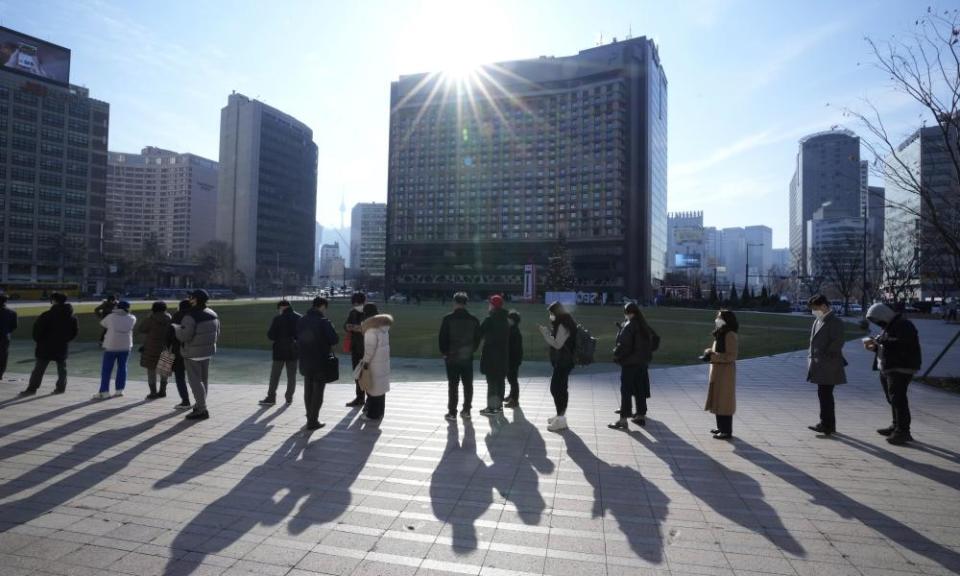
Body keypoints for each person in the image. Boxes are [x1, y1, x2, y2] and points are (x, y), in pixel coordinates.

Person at [864, 303, 922, 445]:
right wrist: (875, 347)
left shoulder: (904, 325)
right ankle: (896, 425)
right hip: (889, 366)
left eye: (877, 319)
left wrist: (879, 340)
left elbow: (900, 343)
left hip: (901, 367)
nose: (878, 323)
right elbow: (889, 344)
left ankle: (903, 431)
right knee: (892, 398)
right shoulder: (889, 326)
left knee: (898, 399)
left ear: (884, 314)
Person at [609, 302, 657, 430]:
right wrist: (647, 351)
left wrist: (616, 354)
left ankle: (623, 419)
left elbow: (623, 345)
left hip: (630, 363)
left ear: (628, 313)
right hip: (642, 362)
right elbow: (655, 339)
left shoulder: (629, 326)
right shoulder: (643, 324)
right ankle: (640, 415)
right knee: (640, 389)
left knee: (626, 391)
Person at [174, 289, 220, 421]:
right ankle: (200, 404)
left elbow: (184, 337)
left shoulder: (190, 316)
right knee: (204, 380)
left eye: (191, 297)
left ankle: (201, 409)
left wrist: (177, 329)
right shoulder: (213, 313)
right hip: (207, 351)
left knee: (195, 382)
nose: (189, 299)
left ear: (195, 300)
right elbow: (218, 332)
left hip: (192, 353)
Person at [19, 292, 78, 396]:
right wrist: (65, 340)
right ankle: (60, 388)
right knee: (62, 369)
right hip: (61, 346)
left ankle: (32, 389)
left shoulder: (46, 315)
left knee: (39, 369)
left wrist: (39, 340)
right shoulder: (71, 317)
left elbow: (37, 330)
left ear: (54, 301)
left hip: (45, 346)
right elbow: (74, 332)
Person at [806, 294, 847, 436]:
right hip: (818, 365)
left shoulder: (834, 322)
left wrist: (824, 355)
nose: (814, 311)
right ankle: (827, 423)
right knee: (823, 395)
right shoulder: (818, 321)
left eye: (815, 308)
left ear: (824, 306)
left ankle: (827, 425)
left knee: (826, 395)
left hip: (829, 365)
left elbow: (837, 342)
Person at [297, 297, 339, 430]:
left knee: (308, 389)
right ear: (322, 307)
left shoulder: (301, 320)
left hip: (305, 359)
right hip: (320, 360)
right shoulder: (324, 322)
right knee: (318, 391)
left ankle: (309, 415)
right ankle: (313, 420)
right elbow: (334, 339)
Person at [439, 292, 481, 421]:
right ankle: (467, 410)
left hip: (452, 357)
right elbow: (477, 338)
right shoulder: (474, 319)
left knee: (453, 385)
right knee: (468, 384)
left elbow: (442, 338)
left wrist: (445, 353)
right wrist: (471, 350)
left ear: (455, 302)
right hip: (467, 357)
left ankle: (452, 412)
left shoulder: (448, 318)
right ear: (465, 303)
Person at [539, 301, 577, 431]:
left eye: (551, 313)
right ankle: (560, 416)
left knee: (556, 388)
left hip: (563, 362)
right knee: (561, 388)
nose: (550, 316)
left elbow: (557, 344)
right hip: (565, 361)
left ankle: (560, 419)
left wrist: (545, 334)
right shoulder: (566, 323)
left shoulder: (563, 325)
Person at [703, 309, 739, 439]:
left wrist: (713, 357)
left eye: (719, 317)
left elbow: (731, 356)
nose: (716, 319)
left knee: (724, 402)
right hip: (717, 372)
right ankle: (720, 427)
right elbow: (716, 350)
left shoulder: (730, 335)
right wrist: (708, 353)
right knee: (717, 400)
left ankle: (726, 431)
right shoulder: (720, 333)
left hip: (725, 374)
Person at [260, 300, 302, 406]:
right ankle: (289, 398)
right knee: (291, 376)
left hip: (279, 350)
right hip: (294, 350)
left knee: (275, 376)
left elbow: (271, 335)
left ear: (282, 307)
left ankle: (271, 397)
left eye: (279, 308)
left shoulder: (278, 319)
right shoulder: (299, 318)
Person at [95, 300, 137, 399]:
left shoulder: (111, 317)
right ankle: (119, 390)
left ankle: (104, 391)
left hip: (111, 345)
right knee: (122, 368)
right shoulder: (132, 318)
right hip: (126, 345)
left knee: (106, 369)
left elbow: (103, 324)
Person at [478, 295, 510, 417]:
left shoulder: (489, 319)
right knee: (500, 381)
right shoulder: (505, 320)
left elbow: (479, 333)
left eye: (490, 303)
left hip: (491, 356)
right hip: (503, 356)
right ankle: (499, 407)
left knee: (491, 383)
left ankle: (491, 408)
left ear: (493, 305)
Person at [360, 303, 392, 421]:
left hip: (374, 363)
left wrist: (365, 362)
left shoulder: (370, 330)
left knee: (373, 390)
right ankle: (379, 413)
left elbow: (369, 349)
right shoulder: (383, 327)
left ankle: (372, 415)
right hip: (383, 362)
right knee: (381, 389)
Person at [138, 301, 172, 400]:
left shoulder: (151, 319)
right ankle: (162, 391)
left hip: (151, 347)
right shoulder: (170, 318)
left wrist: (148, 317)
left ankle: (153, 392)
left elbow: (141, 329)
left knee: (151, 370)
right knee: (164, 371)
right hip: (166, 347)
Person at [167, 299, 192, 409]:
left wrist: (168, 346)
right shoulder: (194, 316)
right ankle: (200, 401)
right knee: (195, 377)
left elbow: (169, 334)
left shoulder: (176, 316)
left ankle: (185, 401)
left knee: (180, 376)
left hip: (178, 350)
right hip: (194, 349)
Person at [344, 292, 368, 407]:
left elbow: (371, 328)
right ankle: (359, 398)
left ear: (363, 302)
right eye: (354, 303)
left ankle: (370, 399)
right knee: (357, 373)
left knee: (367, 374)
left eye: (358, 303)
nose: (355, 305)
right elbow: (346, 325)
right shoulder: (352, 312)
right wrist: (348, 327)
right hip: (355, 347)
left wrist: (361, 329)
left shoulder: (368, 312)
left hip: (367, 348)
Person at [504, 309, 524, 409]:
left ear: (512, 320)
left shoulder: (514, 331)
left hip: (512, 360)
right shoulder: (513, 329)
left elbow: (513, 348)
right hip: (513, 360)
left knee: (513, 380)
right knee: (511, 379)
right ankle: (511, 396)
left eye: (508, 318)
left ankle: (514, 400)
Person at [0, 294, 18, 380]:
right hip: (5, 336)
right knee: (3, 356)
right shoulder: (12, 312)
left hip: (5, 335)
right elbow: (14, 326)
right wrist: (7, 331)